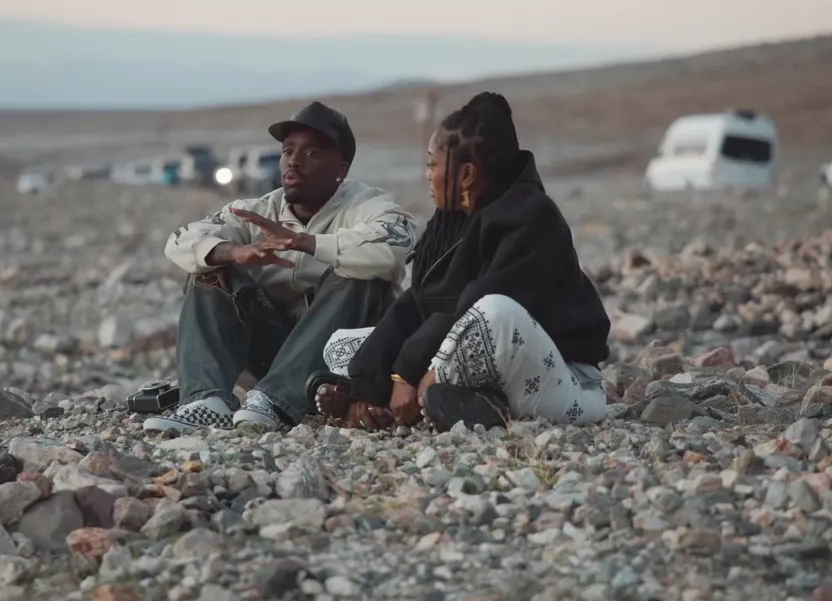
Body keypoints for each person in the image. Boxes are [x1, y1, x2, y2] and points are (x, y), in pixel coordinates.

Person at [306, 92, 611, 432]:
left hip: (566, 385)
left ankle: (437, 395)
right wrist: (373, 382)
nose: (427, 174)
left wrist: (407, 372)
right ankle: (409, 404)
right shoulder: (453, 221)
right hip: (472, 366)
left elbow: (476, 308)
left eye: (432, 164)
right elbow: (417, 304)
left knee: (495, 310)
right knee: (342, 345)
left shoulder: (533, 217)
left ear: (465, 175)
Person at [150, 101, 418, 433]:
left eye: (311, 153)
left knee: (361, 274)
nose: (294, 161)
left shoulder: (369, 205)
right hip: (272, 359)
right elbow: (180, 240)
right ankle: (207, 401)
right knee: (210, 269)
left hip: (340, 368)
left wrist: (306, 242)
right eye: (288, 151)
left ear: (341, 168)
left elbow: (392, 247)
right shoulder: (258, 211)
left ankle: (277, 401)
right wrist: (234, 252)